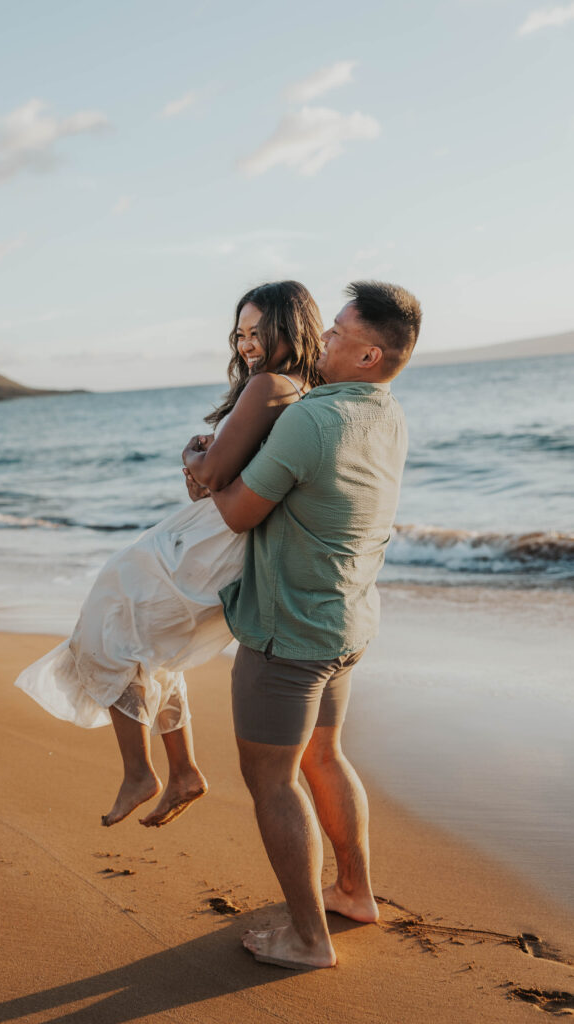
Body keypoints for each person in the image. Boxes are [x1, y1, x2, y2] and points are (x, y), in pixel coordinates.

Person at [14, 281, 324, 829]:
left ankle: (142, 772)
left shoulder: (272, 386)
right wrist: (203, 467)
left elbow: (211, 476)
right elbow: (207, 485)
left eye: (259, 332)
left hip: (210, 544)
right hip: (210, 535)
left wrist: (193, 453)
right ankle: (180, 771)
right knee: (143, 642)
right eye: (241, 332)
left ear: (288, 328)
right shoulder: (284, 388)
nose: (247, 342)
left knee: (109, 627)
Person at [191, 280, 422, 970]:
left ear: (369, 354)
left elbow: (234, 510)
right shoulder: (387, 414)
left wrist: (196, 464)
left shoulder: (310, 419)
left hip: (287, 631)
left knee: (273, 781)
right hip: (346, 623)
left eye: (338, 334)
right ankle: (353, 893)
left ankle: (308, 938)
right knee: (323, 757)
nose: (323, 340)